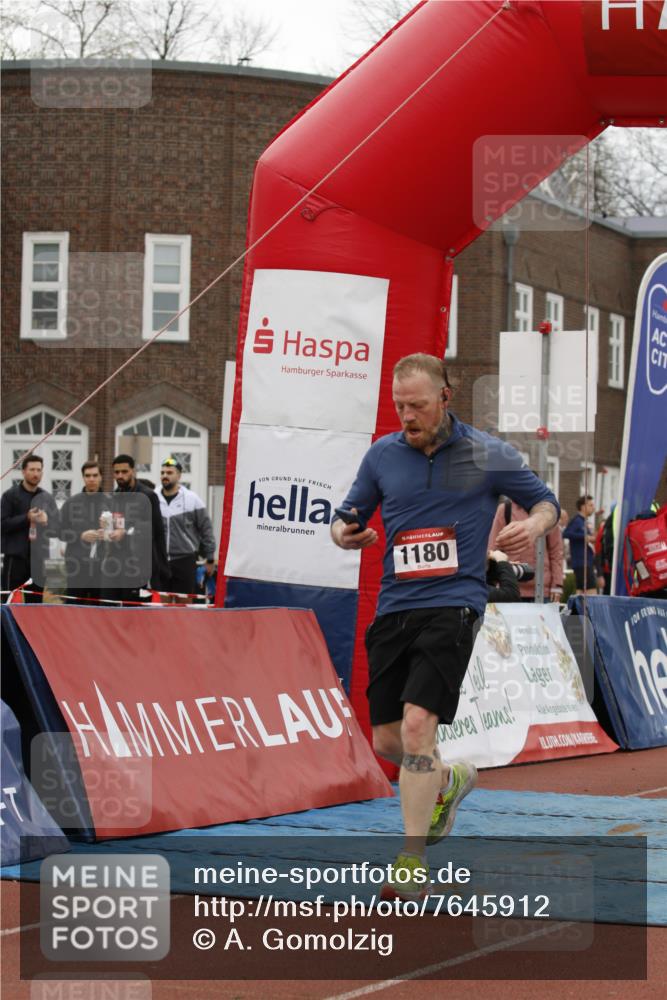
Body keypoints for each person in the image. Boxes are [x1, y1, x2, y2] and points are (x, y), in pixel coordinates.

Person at [331, 354, 559, 902]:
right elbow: (346, 517)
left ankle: (411, 860)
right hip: (395, 607)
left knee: (415, 728)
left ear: (445, 398)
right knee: (387, 738)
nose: (407, 416)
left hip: (455, 603)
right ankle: (450, 779)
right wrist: (345, 535)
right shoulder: (383, 455)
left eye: (418, 405)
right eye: (399, 405)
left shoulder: (488, 454)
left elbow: (547, 503)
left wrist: (532, 523)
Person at [105, 454, 169, 603]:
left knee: (136, 613)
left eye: (124, 471)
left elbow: (156, 531)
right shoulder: (114, 496)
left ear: (133, 471)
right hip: (116, 563)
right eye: (116, 472)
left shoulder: (148, 495)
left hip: (140, 564)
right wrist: (106, 526)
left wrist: (127, 531)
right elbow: (115, 524)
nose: (120, 476)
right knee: (111, 608)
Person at [1, 454, 59, 603]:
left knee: (36, 605)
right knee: (9, 602)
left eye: (39, 470)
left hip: (38, 560)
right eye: (32, 469)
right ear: (23, 471)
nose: (36, 473)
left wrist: (46, 522)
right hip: (16, 559)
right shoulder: (10, 496)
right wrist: (26, 518)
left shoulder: (46, 498)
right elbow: (2, 524)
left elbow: (58, 529)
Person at [158, 457, 216, 602]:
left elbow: (206, 529)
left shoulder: (192, 499)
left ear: (179, 476)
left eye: (170, 472)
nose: (165, 476)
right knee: (162, 606)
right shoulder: (153, 497)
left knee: (183, 606)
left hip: (185, 559)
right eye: (163, 472)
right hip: (161, 559)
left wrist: (210, 558)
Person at [488, 498, 564, 602]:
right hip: (511, 586)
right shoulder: (506, 509)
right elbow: (494, 547)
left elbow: (556, 551)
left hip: (543, 589)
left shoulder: (548, 512)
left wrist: (557, 585)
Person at [58, 461, 110, 604]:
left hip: (102, 567)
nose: (91, 479)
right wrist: (80, 535)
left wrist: (107, 532)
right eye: (88, 476)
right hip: (76, 565)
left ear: (101, 477)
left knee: (98, 610)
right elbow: (59, 531)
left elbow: (120, 533)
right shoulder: (72, 502)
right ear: (83, 477)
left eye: (95, 475)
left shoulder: (111, 502)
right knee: (74, 609)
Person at [563, 496, 597, 595]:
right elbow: (566, 533)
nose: (593, 508)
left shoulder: (584, 521)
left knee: (581, 592)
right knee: (591, 593)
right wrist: (585, 537)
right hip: (581, 562)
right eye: (590, 505)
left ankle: (578, 610)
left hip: (587, 561)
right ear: (582, 507)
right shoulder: (577, 520)